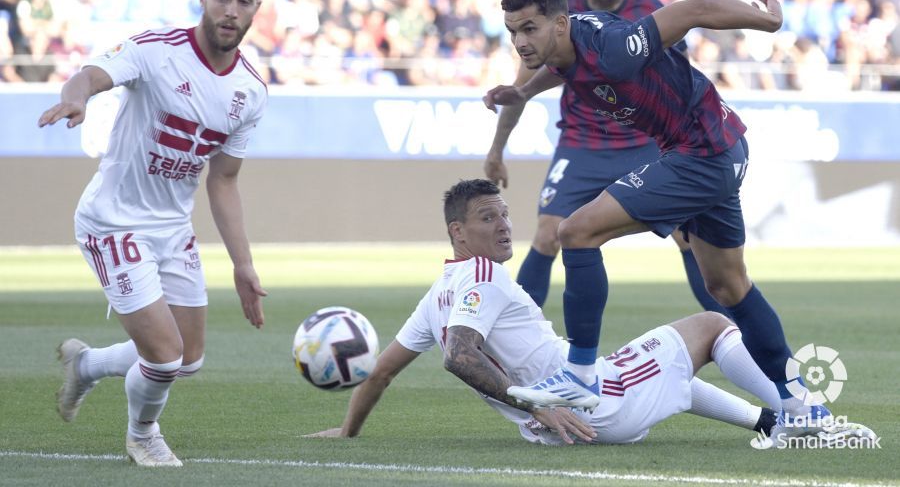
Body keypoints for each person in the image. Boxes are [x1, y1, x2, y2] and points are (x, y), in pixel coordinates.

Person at [483, 0, 832, 439]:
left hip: (702, 152)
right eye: (513, 32)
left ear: (561, 23)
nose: (520, 42)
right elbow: (561, 65)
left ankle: (580, 376)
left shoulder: (612, 46)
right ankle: (800, 405)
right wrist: (524, 92)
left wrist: (769, 21)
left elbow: (695, 8)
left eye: (529, 29)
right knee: (728, 286)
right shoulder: (563, 47)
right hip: (717, 149)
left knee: (576, 231)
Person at [304, 179, 784, 446]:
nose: (505, 227)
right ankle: (795, 414)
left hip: (566, 419)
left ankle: (766, 422)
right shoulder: (484, 276)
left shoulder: (436, 297)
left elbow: (381, 374)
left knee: (662, 368)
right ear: (458, 231)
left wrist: (349, 430)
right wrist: (539, 402)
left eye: (505, 214)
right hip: (593, 403)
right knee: (712, 323)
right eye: (488, 218)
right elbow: (459, 356)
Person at [38, 0, 270, 467]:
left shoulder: (251, 90)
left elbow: (224, 181)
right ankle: (143, 435)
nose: (232, 10)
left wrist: (243, 263)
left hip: (172, 229)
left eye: (244, 1)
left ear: (257, 9)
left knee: (188, 360)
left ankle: (88, 365)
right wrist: (77, 97)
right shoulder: (155, 49)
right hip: (113, 222)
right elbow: (91, 74)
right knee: (163, 357)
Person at [484, 0, 726, 316]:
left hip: (645, 142)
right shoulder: (557, 13)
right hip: (582, 144)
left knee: (689, 237)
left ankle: (733, 334)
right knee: (548, 234)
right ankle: (514, 336)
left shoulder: (650, 10)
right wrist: (496, 149)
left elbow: (680, 78)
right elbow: (521, 86)